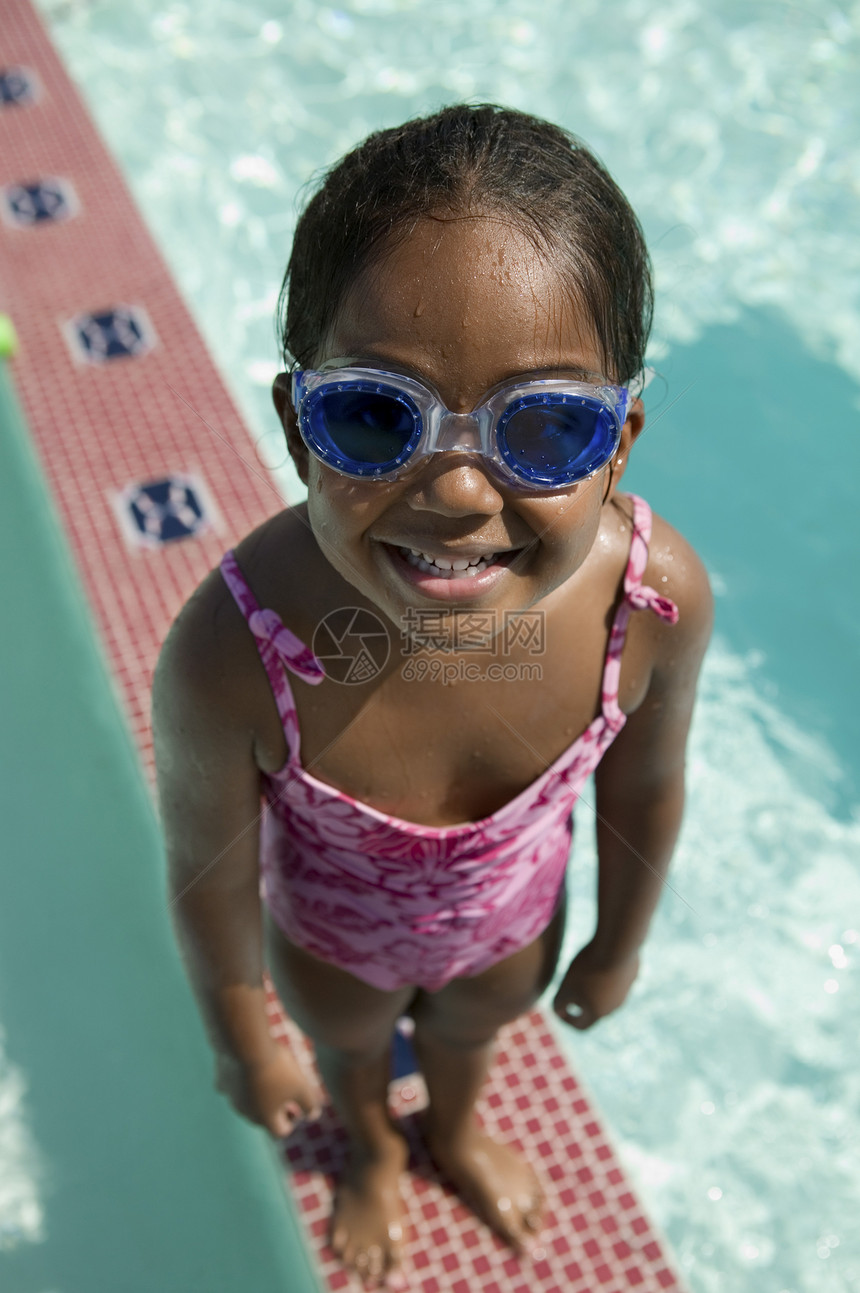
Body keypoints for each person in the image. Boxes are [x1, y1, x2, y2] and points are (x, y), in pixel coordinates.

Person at [153, 104, 713, 1288]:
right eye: (372, 415)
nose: (456, 490)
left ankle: (452, 1131)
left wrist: (616, 943)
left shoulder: (647, 604)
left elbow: (645, 785)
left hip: (511, 930)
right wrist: (241, 1037)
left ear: (621, 442)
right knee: (351, 1058)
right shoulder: (235, 651)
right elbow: (201, 871)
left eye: (547, 428)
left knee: (470, 1038)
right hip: (331, 950)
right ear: (296, 429)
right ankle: (366, 1150)